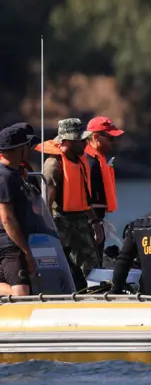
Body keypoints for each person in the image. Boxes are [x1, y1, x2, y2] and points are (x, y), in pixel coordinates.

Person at [36, 118, 102, 288]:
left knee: (92, 265)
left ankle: (96, 293)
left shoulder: (80, 161)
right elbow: (47, 203)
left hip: (80, 219)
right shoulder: (53, 165)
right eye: (81, 140)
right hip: (60, 221)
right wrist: (49, 231)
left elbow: (84, 196)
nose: (85, 144)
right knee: (63, 265)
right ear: (68, 141)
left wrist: (95, 222)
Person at [0, 123, 41, 296]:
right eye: (27, 146)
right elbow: (7, 218)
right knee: (21, 294)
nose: (30, 150)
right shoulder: (6, 176)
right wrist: (26, 252)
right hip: (10, 246)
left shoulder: (12, 173)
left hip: (8, 243)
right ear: (19, 149)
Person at [84, 116, 123, 221]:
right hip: (89, 221)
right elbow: (84, 198)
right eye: (111, 138)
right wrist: (94, 222)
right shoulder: (89, 162)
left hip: (98, 218)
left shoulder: (99, 158)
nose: (114, 142)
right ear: (96, 136)